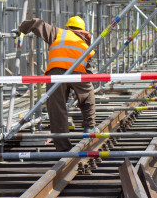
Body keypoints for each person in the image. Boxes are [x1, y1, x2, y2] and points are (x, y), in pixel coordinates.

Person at [17, 16, 97, 151]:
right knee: (88, 95)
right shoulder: (86, 43)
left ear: (68, 27)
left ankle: (63, 148)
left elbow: (38, 23)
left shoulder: (58, 33)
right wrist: (85, 87)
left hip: (56, 73)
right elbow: (88, 70)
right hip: (78, 72)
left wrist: (21, 29)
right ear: (83, 30)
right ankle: (89, 125)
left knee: (57, 108)